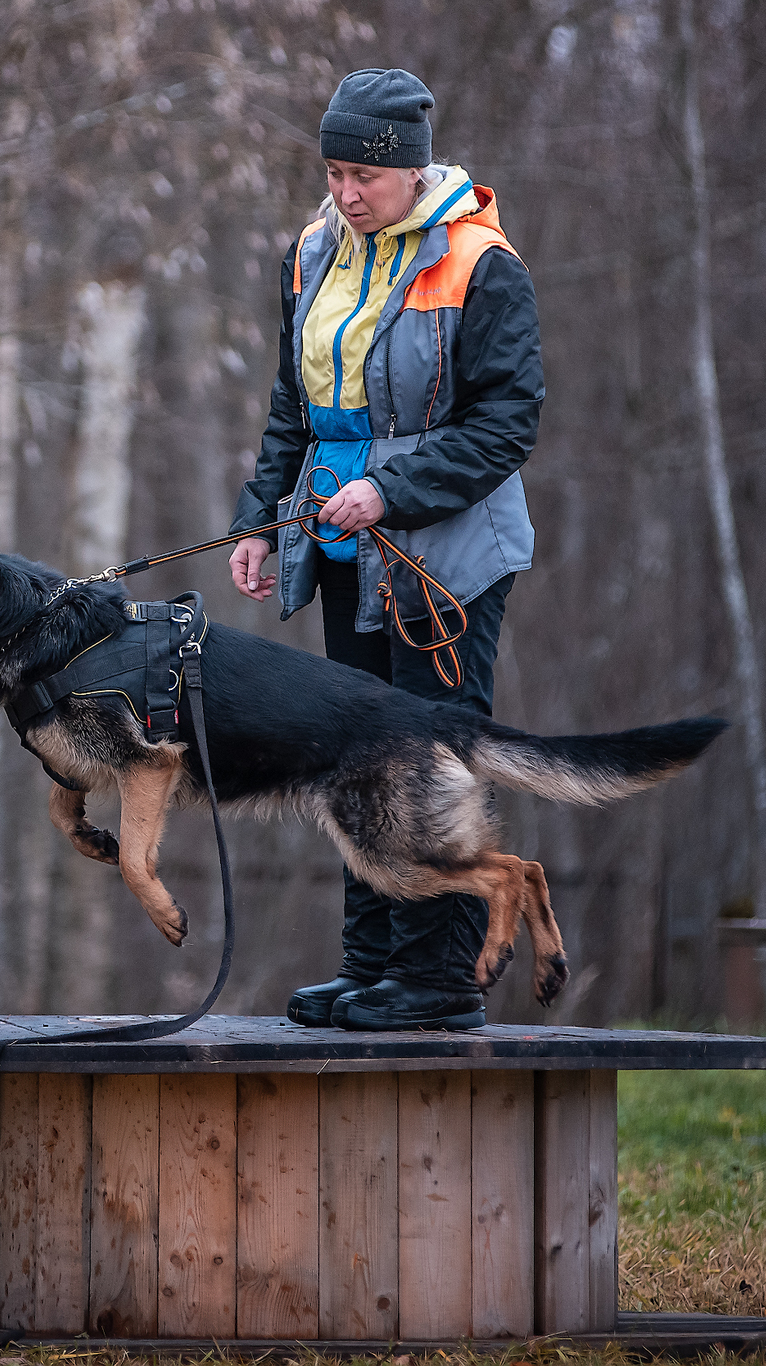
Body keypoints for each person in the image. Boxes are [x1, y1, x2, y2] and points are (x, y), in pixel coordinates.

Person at [226, 69, 543, 1033]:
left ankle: (440, 981)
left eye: (363, 173)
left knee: (429, 762)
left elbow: (507, 426)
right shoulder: (313, 251)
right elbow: (295, 407)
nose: (345, 192)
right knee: (350, 757)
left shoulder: (483, 264)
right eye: (333, 171)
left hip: (442, 562)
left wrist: (391, 491)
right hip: (338, 550)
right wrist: (259, 516)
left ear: (410, 170)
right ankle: (373, 970)